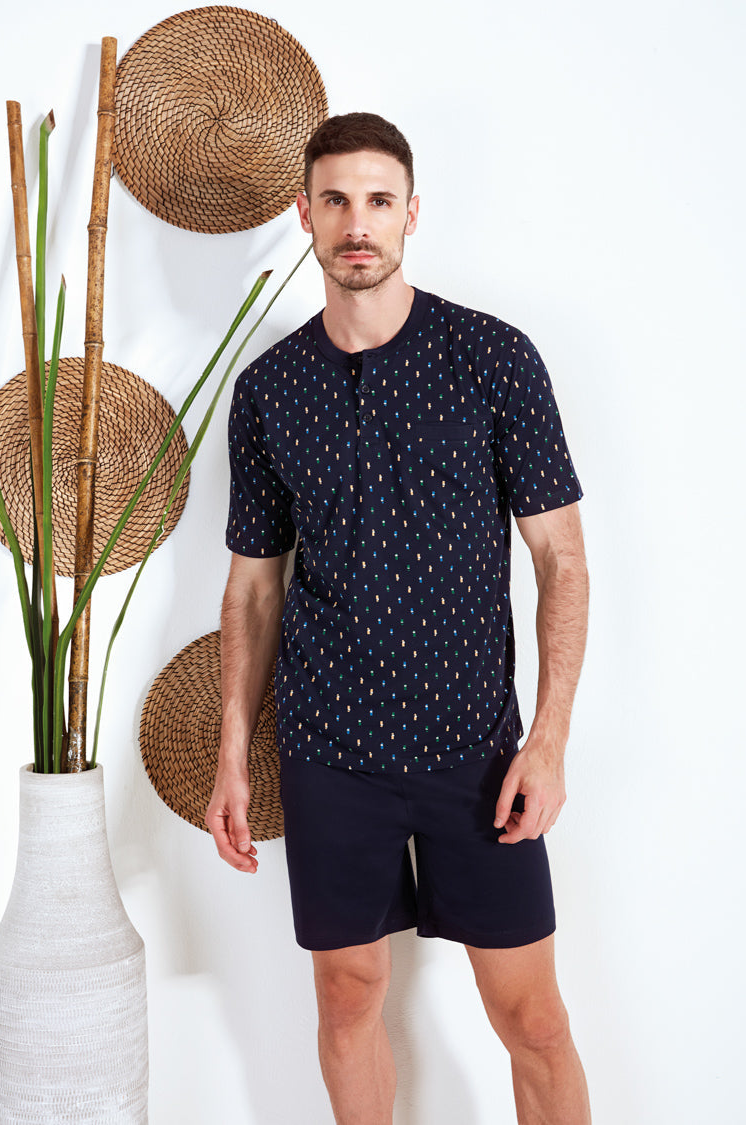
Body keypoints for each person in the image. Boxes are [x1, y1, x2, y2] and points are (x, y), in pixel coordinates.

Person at [206, 112, 591, 1124]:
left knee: (534, 1018)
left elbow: (561, 558)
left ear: (412, 213)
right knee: (347, 996)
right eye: (335, 200)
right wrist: (233, 757)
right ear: (304, 213)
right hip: (331, 752)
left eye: (379, 200)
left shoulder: (495, 358)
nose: (357, 223)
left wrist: (549, 740)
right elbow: (253, 589)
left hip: (480, 750)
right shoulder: (268, 391)